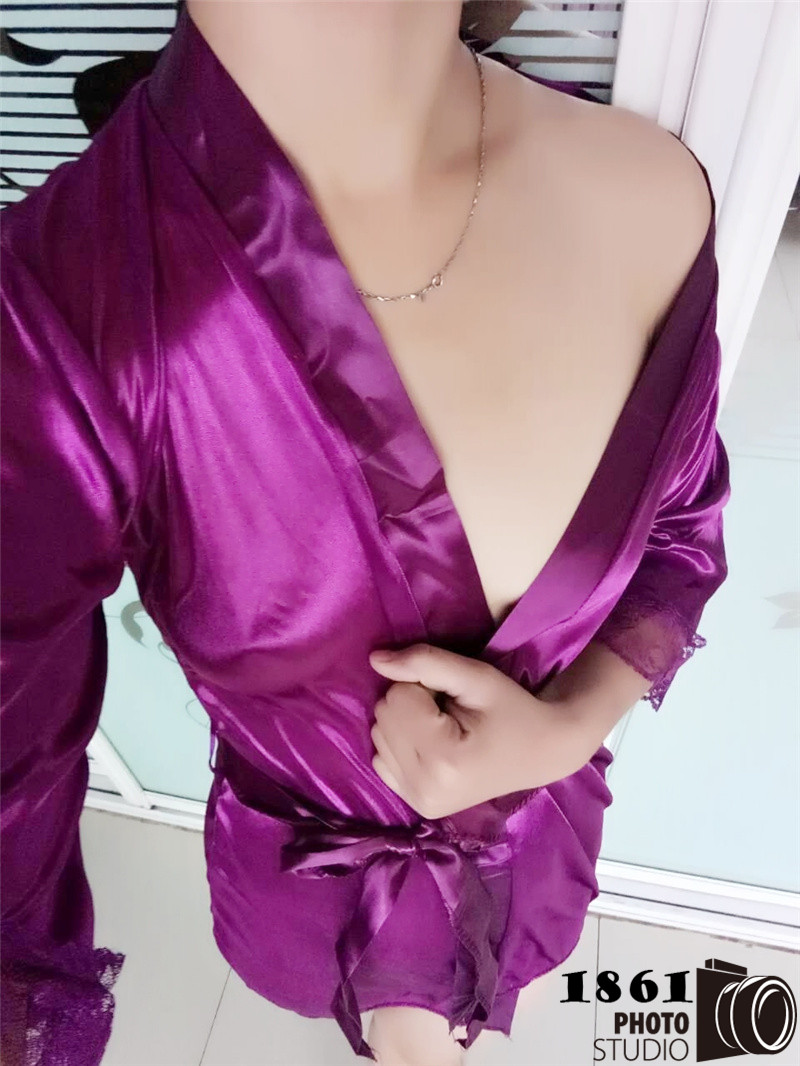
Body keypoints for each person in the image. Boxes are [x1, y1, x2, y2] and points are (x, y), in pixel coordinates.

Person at [0, 2, 730, 1064]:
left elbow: (681, 530)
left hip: (533, 861)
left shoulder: (645, 190)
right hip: (304, 901)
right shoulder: (63, 312)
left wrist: (569, 725)